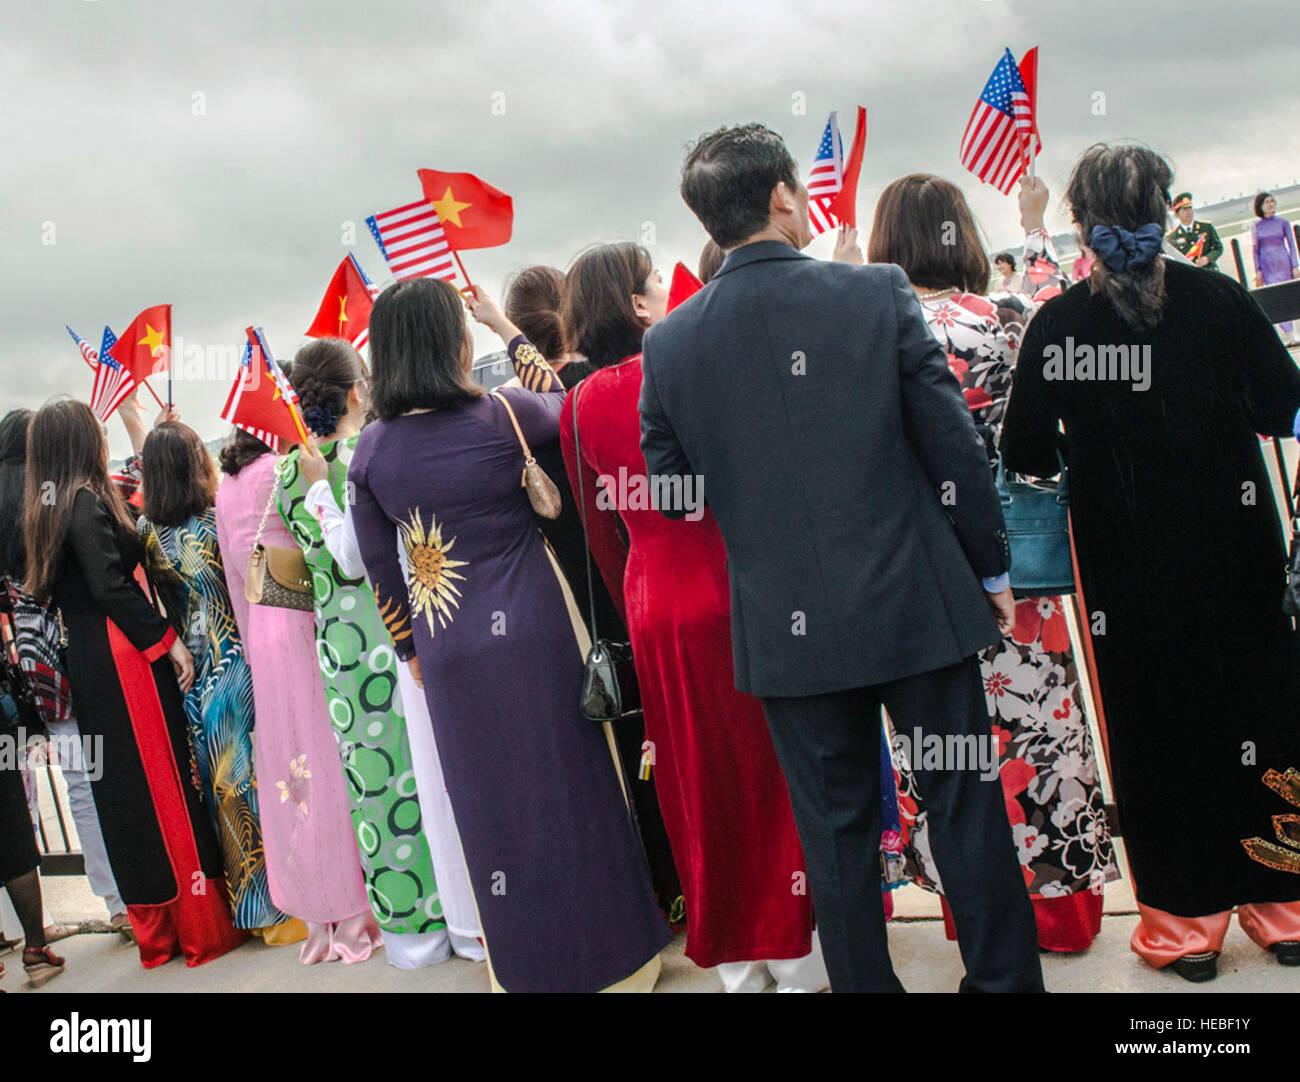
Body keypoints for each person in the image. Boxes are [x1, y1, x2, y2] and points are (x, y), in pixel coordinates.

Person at [638, 122, 1042, 993]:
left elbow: (676, 496)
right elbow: (955, 452)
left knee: (836, 835)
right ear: (784, 197)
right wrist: (992, 570)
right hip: (916, 604)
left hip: (788, 632)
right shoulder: (874, 294)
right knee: (965, 808)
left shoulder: (669, 346)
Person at [1000, 143, 1300, 982]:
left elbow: (1024, 449)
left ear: (1081, 226)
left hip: (1127, 578)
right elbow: (1284, 407)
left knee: (1157, 732)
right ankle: (1283, 908)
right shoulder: (1221, 299)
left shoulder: (1059, 327)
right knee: (1261, 712)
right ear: (1166, 210)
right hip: (1239, 556)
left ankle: (1184, 928)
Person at [348, 276, 670, 992]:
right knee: (575, 787)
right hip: (534, 627)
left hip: (447, 649)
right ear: (451, 340)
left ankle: (528, 968)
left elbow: (381, 573)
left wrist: (409, 650)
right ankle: (620, 960)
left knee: (492, 809)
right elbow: (570, 399)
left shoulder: (371, 453)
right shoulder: (503, 414)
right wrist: (510, 333)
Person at [558, 241, 828, 992]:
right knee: (767, 771)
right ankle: (796, 953)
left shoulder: (578, 406)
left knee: (694, 779)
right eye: (653, 284)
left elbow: (598, 528)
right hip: (730, 581)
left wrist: (638, 598)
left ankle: (738, 961)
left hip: (654, 599)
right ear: (637, 304)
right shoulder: (681, 364)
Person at [867, 173, 1117, 953]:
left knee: (943, 748)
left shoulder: (873, 333)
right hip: (1013, 564)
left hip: (916, 573)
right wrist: (1036, 229)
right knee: (1038, 732)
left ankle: (970, 909)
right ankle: (1061, 912)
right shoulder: (1000, 321)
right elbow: (1062, 319)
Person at [482, 272, 684, 921]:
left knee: (631, 753)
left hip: (579, 605)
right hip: (628, 581)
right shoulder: (591, 385)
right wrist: (504, 331)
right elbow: (561, 394)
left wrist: (502, 332)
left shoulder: (514, 407)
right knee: (663, 740)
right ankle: (683, 877)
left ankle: (662, 888)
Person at [23, 399, 246, 968]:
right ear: (80, 443)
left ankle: (161, 934)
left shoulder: (46, 508)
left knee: (124, 796)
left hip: (92, 662)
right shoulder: (82, 503)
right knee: (163, 783)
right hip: (125, 654)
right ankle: (201, 928)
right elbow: (111, 586)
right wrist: (165, 640)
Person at [276, 338, 448, 969]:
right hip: (388, 628)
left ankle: (406, 929)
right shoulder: (366, 455)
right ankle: (448, 910)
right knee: (421, 771)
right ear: (355, 391)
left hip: (336, 645)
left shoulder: (289, 471)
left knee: (371, 779)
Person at [215, 426, 378, 963]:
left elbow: (237, 578)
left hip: (260, 634)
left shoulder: (227, 486)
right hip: (303, 623)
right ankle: (355, 914)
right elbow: (321, 550)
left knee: (292, 780)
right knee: (327, 767)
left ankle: (318, 921)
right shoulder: (279, 472)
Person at [136, 421, 287, 935]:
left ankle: (249, 909)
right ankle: (280, 901)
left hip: (193, 673)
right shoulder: (213, 515)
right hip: (235, 657)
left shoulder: (145, 533)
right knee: (258, 781)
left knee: (224, 792)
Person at [0, 409, 131, 944]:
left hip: (33, 656)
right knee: (116, 766)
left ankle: (113, 899)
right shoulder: (47, 495)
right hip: (79, 636)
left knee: (78, 777)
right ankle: (138, 888)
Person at [1250, 191, 1299, 342]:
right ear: (1260, 206)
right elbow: (1255, 250)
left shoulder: (1283, 223)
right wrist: (1257, 270)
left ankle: (1293, 333)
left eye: (1272, 201)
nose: (1271, 204)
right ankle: (1288, 335)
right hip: (1267, 266)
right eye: (1267, 202)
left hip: (1283, 262)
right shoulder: (1256, 226)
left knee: (1288, 296)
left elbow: (1291, 245)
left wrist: (1295, 265)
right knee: (1276, 299)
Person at [1166, 192, 1223, 271]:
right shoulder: (1172, 236)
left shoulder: (1206, 227)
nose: (1188, 211)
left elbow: (1218, 248)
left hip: (1210, 271)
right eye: (1184, 209)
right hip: (1190, 275)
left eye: (1190, 208)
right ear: (1176, 214)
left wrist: (1207, 258)